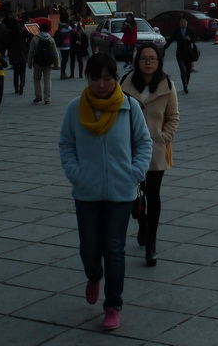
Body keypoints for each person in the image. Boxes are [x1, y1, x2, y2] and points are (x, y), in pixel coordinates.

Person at [58, 52, 153, 332]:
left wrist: (135, 172)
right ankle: (93, 275)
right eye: (96, 78)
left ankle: (113, 304)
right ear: (87, 78)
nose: (101, 84)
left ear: (115, 79)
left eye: (108, 78)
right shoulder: (75, 108)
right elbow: (66, 144)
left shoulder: (130, 107)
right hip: (86, 192)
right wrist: (76, 173)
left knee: (114, 249)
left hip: (121, 193)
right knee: (89, 248)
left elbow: (143, 143)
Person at [121, 45, 180, 267]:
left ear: (159, 62)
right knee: (135, 194)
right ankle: (142, 221)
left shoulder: (167, 85)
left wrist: (164, 137)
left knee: (152, 194)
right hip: (130, 148)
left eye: (152, 58)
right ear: (137, 61)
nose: (148, 62)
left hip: (155, 148)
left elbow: (173, 116)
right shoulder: (126, 83)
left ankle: (152, 243)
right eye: (144, 58)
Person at [163, 16, 198, 94]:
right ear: (179, 23)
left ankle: (186, 84)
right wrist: (164, 48)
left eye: (184, 21)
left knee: (188, 70)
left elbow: (195, 39)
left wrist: (190, 39)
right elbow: (171, 39)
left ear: (187, 23)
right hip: (180, 53)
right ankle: (184, 85)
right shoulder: (177, 31)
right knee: (182, 69)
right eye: (181, 22)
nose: (182, 23)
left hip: (188, 53)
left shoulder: (190, 30)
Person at [28, 20, 60, 104]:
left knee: (37, 79)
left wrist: (29, 63)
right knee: (48, 80)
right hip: (49, 62)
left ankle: (38, 96)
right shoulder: (51, 39)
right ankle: (47, 98)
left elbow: (31, 51)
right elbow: (55, 52)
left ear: (39, 29)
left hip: (37, 62)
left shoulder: (35, 38)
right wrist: (57, 63)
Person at [7, 16, 29, 95]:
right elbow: (31, 35)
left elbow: (7, 43)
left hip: (13, 53)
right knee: (23, 71)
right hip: (23, 52)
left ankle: (16, 88)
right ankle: (22, 83)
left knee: (15, 71)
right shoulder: (22, 31)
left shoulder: (9, 32)